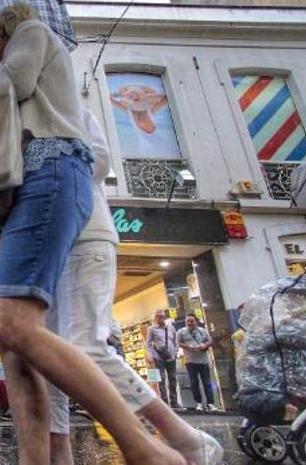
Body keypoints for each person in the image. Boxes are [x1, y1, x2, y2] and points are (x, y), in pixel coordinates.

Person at [0, 2, 185, 464]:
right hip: (31, 198)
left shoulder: (32, 40)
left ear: (4, 33)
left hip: (59, 196)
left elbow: (17, 94)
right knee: (17, 344)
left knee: (36, 332)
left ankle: (150, 447)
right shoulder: (24, 101)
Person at [45, 111, 223, 464]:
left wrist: (37, 160)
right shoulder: (8, 109)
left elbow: (97, 161)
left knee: (83, 347)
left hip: (84, 235)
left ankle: (183, 436)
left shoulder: (64, 104)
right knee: (43, 356)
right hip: (42, 245)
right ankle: (58, 455)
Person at [177, 314, 218, 412]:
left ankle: (210, 403)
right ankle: (199, 403)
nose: (190, 323)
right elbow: (178, 343)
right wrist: (188, 346)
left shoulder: (202, 331)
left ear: (196, 321)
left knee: (207, 382)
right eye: (188, 321)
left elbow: (210, 341)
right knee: (194, 383)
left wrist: (204, 345)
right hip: (190, 361)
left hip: (203, 361)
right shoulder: (181, 332)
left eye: (192, 321)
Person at [147, 310, 181, 409]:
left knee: (173, 379)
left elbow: (175, 341)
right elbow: (148, 343)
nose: (159, 318)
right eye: (157, 316)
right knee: (161, 379)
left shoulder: (171, 328)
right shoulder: (152, 329)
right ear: (155, 318)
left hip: (171, 357)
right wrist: (150, 355)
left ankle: (174, 402)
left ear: (164, 317)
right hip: (158, 357)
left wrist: (175, 352)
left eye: (161, 316)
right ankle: (164, 401)